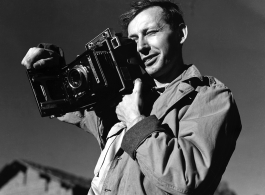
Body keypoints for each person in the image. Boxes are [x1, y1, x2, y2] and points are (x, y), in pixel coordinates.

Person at [21, 0, 242, 194]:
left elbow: (188, 179)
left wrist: (136, 122)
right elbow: (66, 105)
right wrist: (49, 69)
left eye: (151, 32)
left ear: (181, 33)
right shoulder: (123, 97)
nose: (142, 47)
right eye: (134, 38)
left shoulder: (209, 95)